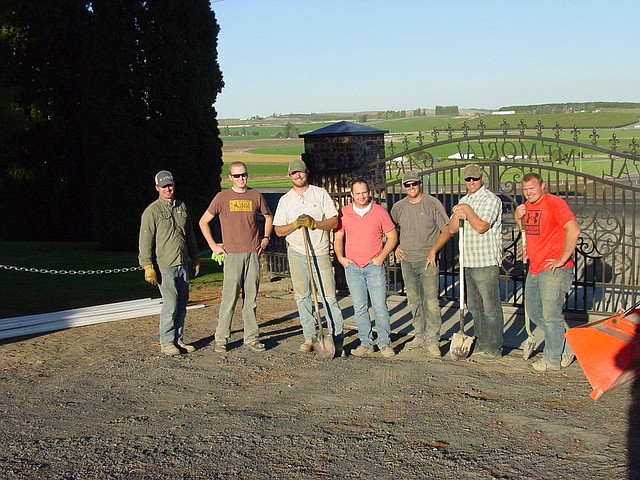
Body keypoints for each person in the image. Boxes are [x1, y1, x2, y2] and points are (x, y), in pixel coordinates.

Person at [199, 161, 273, 353]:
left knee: (251, 299)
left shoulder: (256, 195)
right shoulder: (222, 197)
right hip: (232, 255)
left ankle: (252, 337)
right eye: (237, 176)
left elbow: (268, 216)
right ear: (230, 177)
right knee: (229, 298)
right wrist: (213, 245)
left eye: (244, 175)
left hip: (252, 254)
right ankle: (221, 338)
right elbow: (203, 221)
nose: (241, 179)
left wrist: (265, 238)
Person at [273, 159, 345, 355]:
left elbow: (333, 221)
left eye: (301, 172)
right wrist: (295, 225)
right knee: (303, 296)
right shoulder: (285, 200)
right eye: (294, 173)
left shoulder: (320, 194)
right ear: (289, 176)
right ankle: (309, 335)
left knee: (328, 295)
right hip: (297, 252)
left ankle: (336, 336)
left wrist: (314, 224)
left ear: (307, 173)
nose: (298, 176)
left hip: (320, 252)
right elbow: (278, 230)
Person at [514, 172, 581, 372]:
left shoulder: (555, 203)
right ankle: (567, 342)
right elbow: (526, 231)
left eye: (532, 189)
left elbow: (574, 230)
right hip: (534, 267)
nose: (528, 193)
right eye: (525, 190)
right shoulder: (527, 207)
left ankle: (551, 360)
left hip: (554, 270)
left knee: (551, 316)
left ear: (542, 185)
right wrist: (518, 218)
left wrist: (562, 258)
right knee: (534, 312)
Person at [334, 179, 398, 358]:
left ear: (368, 192)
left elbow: (392, 236)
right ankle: (365, 343)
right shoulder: (344, 213)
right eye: (358, 193)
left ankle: (384, 343)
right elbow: (338, 237)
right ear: (351, 195)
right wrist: (341, 258)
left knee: (379, 306)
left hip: (373, 267)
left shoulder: (379, 212)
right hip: (353, 266)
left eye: (364, 192)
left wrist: (381, 257)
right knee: (360, 307)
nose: (362, 196)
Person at [139, 170, 200, 356]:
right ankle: (166, 342)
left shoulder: (182, 206)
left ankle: (178, 340)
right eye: (164, 186)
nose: (168, 189)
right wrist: (147, 266)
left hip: (182, 264)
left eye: (170, 185)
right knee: (170, 304)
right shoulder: (152, 211)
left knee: (182, 304)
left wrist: (195, 257)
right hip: (164, 266)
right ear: (157, 188)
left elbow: (189, 234)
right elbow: (145, 240)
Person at [390, 171, 451, 357]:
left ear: (420, 184)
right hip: (407, 261)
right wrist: (395, 246)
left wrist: (433, 250)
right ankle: (419, 335)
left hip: (427, 261)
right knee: (414, 301)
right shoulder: (399, 207)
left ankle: (432, 340)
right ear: (403, 187)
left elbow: (447, 229)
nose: (411, 188)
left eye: (414, 184)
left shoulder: (432, 204)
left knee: (431, 301)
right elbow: (389, 230)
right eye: (407, 185)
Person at [449, 164, 504, 361]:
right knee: (474, 305)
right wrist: (458, 213)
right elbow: (453, 229)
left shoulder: (491, 200)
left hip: (486, 260)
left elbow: (481, 226)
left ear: (482, 179)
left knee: (490, 307)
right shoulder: (464, 200)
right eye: (468, 179)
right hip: (468, 260)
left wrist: (467, 210)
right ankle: (481, 343)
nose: (471, 183)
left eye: (475, 179)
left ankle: (493, 347)